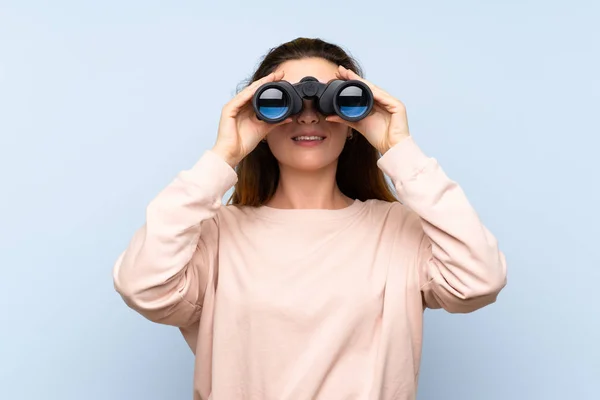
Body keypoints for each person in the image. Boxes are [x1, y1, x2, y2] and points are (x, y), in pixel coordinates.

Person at [112, 37, 507, 400]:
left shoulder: (399, 231)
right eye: (286, 102)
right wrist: (223, 156)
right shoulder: (216, 235)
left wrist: (398, 148)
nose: (308, 116)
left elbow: (478, 281)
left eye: (330, 101)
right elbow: (143, 287)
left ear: (354, 121)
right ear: (260, 118)